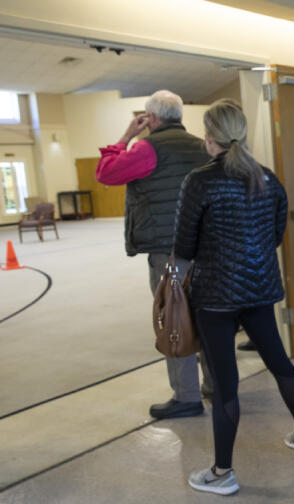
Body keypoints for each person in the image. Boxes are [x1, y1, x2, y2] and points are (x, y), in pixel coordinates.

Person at [173, 99, 294, 496]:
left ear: (210, 136)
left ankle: (222, 472)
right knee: (279, 364)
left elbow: (183, 245)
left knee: (225, 384)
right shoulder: (267, 178)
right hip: (259, 290)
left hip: (215, 295)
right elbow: (274, 233)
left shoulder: (199, 181)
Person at [96, 89, 212, 419]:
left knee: (174, 319)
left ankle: (187, 397)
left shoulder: (147, 147)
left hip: (168, 250)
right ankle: (216, 385)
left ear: (152, 118)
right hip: (205, 246)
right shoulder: (201, 145)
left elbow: (106, 173)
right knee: (207, 317)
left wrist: (128, 135)